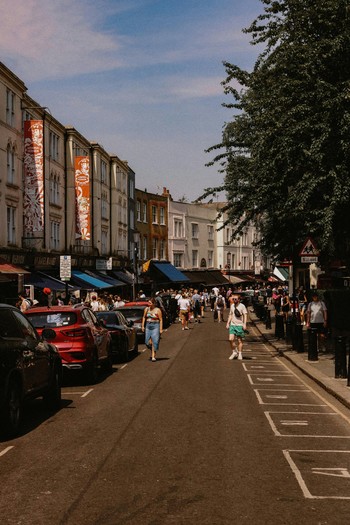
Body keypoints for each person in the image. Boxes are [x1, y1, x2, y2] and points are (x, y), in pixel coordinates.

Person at [226, 294, 248, 360]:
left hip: (239, 325)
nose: (234, 300)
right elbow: (230, 314)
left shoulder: (242, 306)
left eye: (235, 299)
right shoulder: (232, 306)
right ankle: (234, 351)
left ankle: (240, 353)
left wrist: (244, 324)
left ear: (239, 300)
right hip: (232, 325)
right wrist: (228, 323)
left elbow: (245, 315)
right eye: (233, 299)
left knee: (239, 340)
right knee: (230, 339)